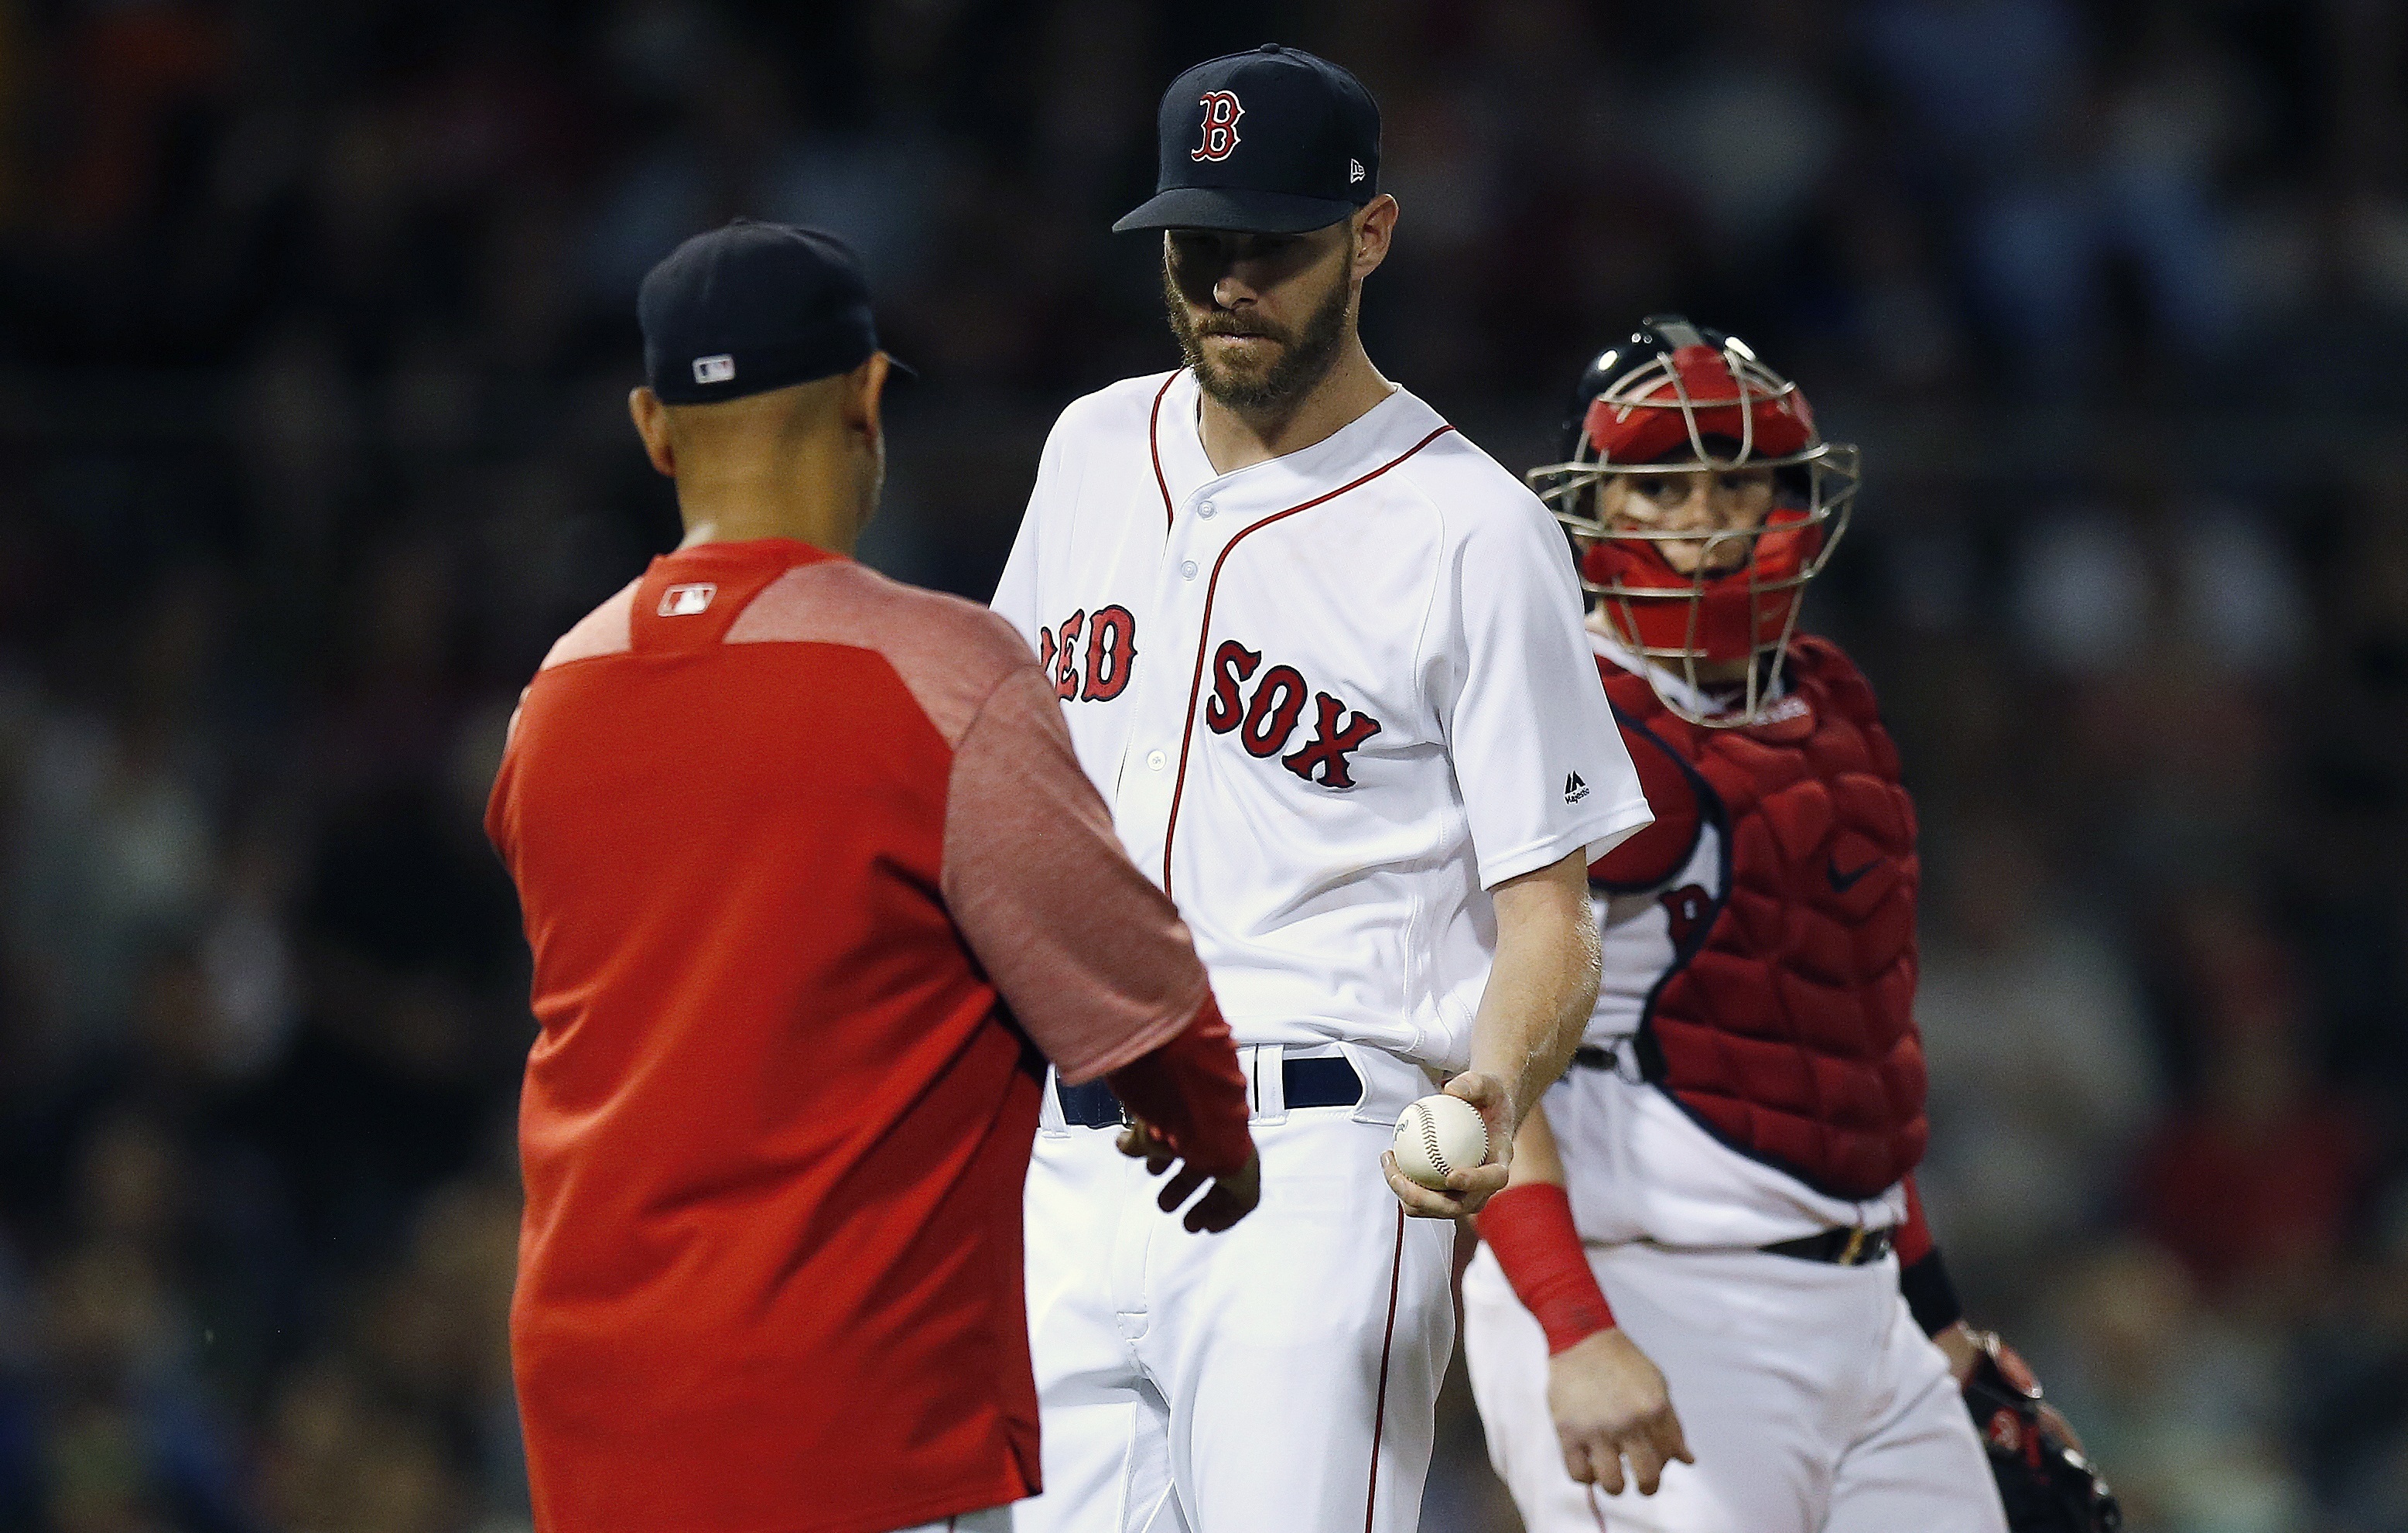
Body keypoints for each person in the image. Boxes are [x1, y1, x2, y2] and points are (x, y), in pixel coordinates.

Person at [484, 218, 1261, 1533]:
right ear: (868, 398)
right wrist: (1216, 1134)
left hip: (595, 1397)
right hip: (848, 1399)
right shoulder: (940, 674)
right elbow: (1144, 996)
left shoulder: (549, 700)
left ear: (654, 429)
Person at [990, 46, 1653, 1533]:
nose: (1228, 281)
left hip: (1318, 1153)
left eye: (1269, 246)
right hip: (1061, 1160)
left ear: (1371, 236)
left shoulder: (1471, 530)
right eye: (1198, 243)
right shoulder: (1091, 448)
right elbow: (1006, 793)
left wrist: (1498, 1077)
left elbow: (1550, 906)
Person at [1461, 315, 2021, 1532]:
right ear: (1585, 506)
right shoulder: (1552, 712)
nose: (1704, 514)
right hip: (1652, 1295)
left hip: (1868, 1307)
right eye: (1657, 483)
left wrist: (1941, 1320)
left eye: (1738, 477)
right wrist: (1573, 1324)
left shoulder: (1830, 707)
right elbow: (1482, 1070)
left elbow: (1848, 1060)